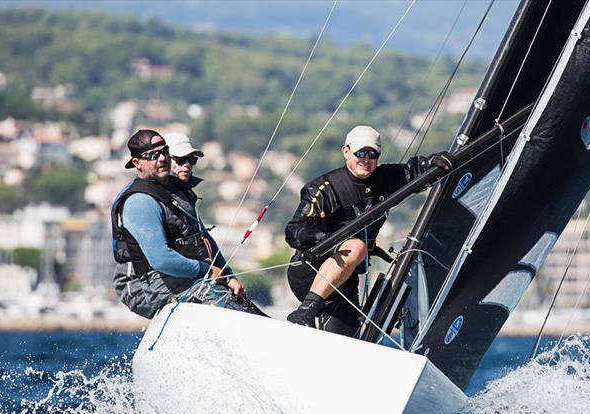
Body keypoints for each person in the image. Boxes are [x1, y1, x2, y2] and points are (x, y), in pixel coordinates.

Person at [284, 125, 454, 335]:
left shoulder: (386, 178)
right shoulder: (323, 188)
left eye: (372, 154)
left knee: (347, 338)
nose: (366, 159)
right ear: (346, 151)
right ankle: (304, 313)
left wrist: (435, 162)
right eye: (360, 153)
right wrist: (315, 234)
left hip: (345, 280)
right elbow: (293, 231)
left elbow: (414, 171)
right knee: (356, 246)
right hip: (310, 271)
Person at [111, 129, 262, 318]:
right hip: (161, 287)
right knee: (231, 310)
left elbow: (202, 239)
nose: (161, 158)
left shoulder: (176, 192)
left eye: (164, 152)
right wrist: (208, 271)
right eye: (152, 155)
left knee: (249, 311)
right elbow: (162, 260)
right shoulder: (140, 201)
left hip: (187, 281)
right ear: (137, 163)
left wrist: (227, 276)